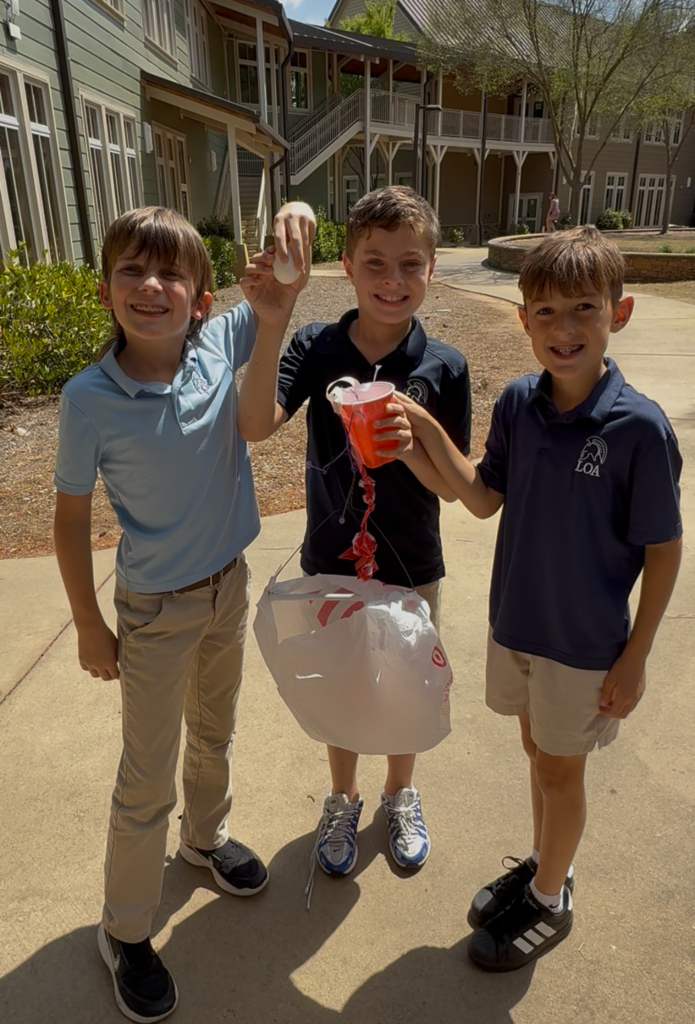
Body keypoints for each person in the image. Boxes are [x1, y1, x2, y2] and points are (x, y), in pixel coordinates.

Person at [53, 202, 315, 1022]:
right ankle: (125, 929)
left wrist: (296, 215)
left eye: (171, 274)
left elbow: (273, 298)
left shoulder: (218, 344)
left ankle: (203, 843)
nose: (152, 285)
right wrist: (90, 624)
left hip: (225, 586)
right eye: (132, 269)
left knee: (216, 733)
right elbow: (67, 519)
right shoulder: (88, 398)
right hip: (155, 609)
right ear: (105, 291)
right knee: (145, 775)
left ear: (202, 299)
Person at [397, 226, 683, 971]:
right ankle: (540, 863)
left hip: (584, 643)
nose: (564, 329)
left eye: (583, 309)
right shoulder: (520, 404)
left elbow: (663, 549)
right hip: (516, 623)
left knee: (561, 770)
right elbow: (480, 496)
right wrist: (417, 436)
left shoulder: (638, 430)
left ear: (616, 315)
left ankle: (549, 900)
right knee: (536, 752)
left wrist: (635, 656)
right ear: (522, 320)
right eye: (546, 312)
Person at [237, 186, 471, 885]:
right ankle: (341, 799)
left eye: (409, 264)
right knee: (341, 686)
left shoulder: (443, 366)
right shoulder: (317, 345)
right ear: (344, 266)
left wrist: (408, 448)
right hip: (330, 560)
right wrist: (273, 319)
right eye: (374, 263)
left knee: (402, 688)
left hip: (411, 565)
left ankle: (400, 793)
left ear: (432, 269)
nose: (391, 281)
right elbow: (254, 426)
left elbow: (451, 487)